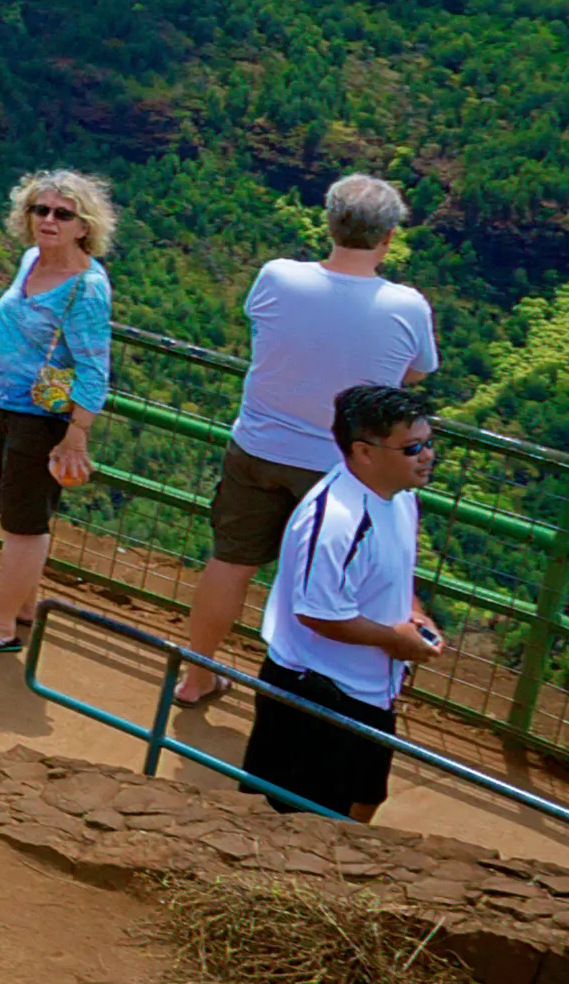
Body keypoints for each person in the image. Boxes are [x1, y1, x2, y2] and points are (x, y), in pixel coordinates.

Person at [171, 175, 442, 711]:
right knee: (339, 589)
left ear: (329, 223)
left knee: (230, 563)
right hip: (343, 472)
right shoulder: (406, 305)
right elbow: (415, 374)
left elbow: (264, 330)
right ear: (389, 237)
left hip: (258, 446)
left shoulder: (277, 277)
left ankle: (195, 678)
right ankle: (322, 701)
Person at [230, 379, 444, 818]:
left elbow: (394, 574)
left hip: (366, 691)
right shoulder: (336, 522)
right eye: (410, 448)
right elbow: (317, 613)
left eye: (428, 443)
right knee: (302, 816)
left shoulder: (399, 497)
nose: (425, 456)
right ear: (364, 451)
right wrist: (395, 640)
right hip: (317, 692)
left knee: (363, 800)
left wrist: (414, 614)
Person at [0, 171, 121, 653]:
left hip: (43, 420)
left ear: (84, 225)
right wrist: (0, 365)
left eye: (63, 214)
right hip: (3, 403)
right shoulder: (31, 260)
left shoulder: (86, 287)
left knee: (25, 524)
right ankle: (21, 603)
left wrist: (77, 434)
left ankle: (1, 624)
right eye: (39, 210)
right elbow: (27, 329)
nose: (49, 220)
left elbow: (93, 367)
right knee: (11, 511)